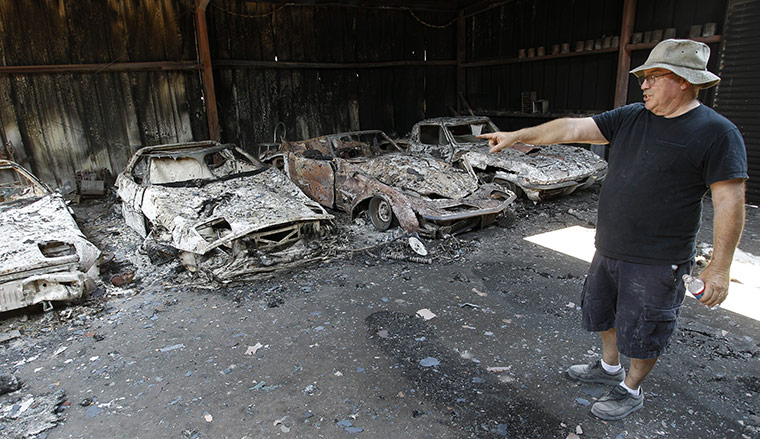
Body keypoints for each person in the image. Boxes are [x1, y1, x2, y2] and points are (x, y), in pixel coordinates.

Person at [478, 39, 748, 421]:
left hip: (659, 259)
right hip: (609, 248)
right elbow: (572, 127)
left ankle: (631, 389)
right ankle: (609, 369)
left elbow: (729, 202)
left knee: (644, 328)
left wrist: (719, 268)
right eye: (644, 77)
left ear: (685, 81)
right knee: (604, 313)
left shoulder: (717, 133)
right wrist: (518, 136)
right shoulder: (631, 117)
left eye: (654, 77)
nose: (645, 84)